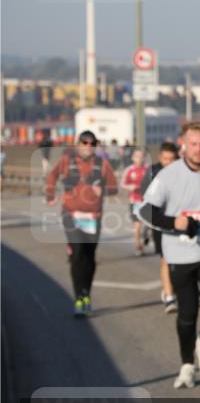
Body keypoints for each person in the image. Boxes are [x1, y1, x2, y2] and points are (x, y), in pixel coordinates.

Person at [140, 122, 200, 388]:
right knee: (187, 312)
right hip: (180, 252)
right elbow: (145, 211)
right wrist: (174, 223)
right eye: (193, 144)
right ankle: (186, 366)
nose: (198, 149)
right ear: (184, 144)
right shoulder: (168, 174)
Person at [44, 130, 119, 316]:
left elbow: (114, 188)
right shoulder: (67, 161)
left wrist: (103, 189)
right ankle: (79, 297)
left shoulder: (102, 164)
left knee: (89, 256)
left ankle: (86, 293)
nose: (88, 146)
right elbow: (52, 176)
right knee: (77, 253)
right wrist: (50, 195)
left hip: (93, 217)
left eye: (91, 143)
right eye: (84, 142)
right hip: (71, 214)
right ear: (78, 144)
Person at [140, 142, 181, 313]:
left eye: (172, 159)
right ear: (160, 158)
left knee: (180, 261)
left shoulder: (184, 172)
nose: (168, 163)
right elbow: (145, 197)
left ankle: (177, 287)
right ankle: (170, 296)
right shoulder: (153, 172)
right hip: (161, 222)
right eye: (165, 159)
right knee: (165, 259)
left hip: (180, 221)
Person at [120, 149, 150, 257]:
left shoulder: (148, 169)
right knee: (137, 225)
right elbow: (122, 183)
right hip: (135, 201)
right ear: (132, 158)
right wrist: (130, 187)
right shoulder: (129, 170)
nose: (139, 158)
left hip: (147, 201)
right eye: (137, 156)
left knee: (148, 223)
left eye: (141, 156)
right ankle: (138, 246)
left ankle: (146, 234)